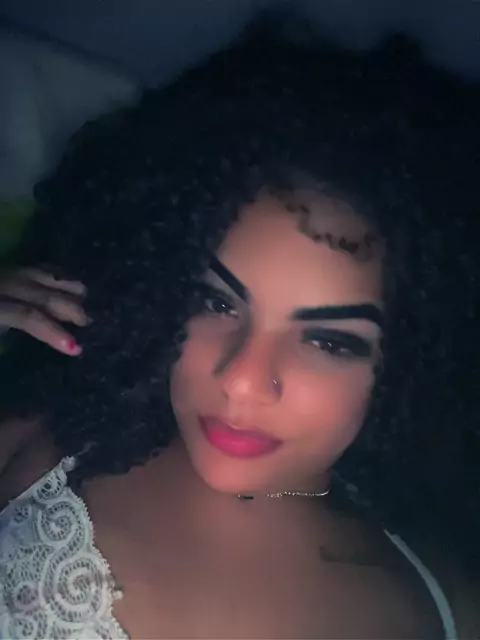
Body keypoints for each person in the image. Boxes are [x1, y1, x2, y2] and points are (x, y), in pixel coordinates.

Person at [0, 16, 477, 639]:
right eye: (217, 302)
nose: (242, 381)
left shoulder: (448, 606)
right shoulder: (51, 434)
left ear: (412, 364)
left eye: (329, 341)